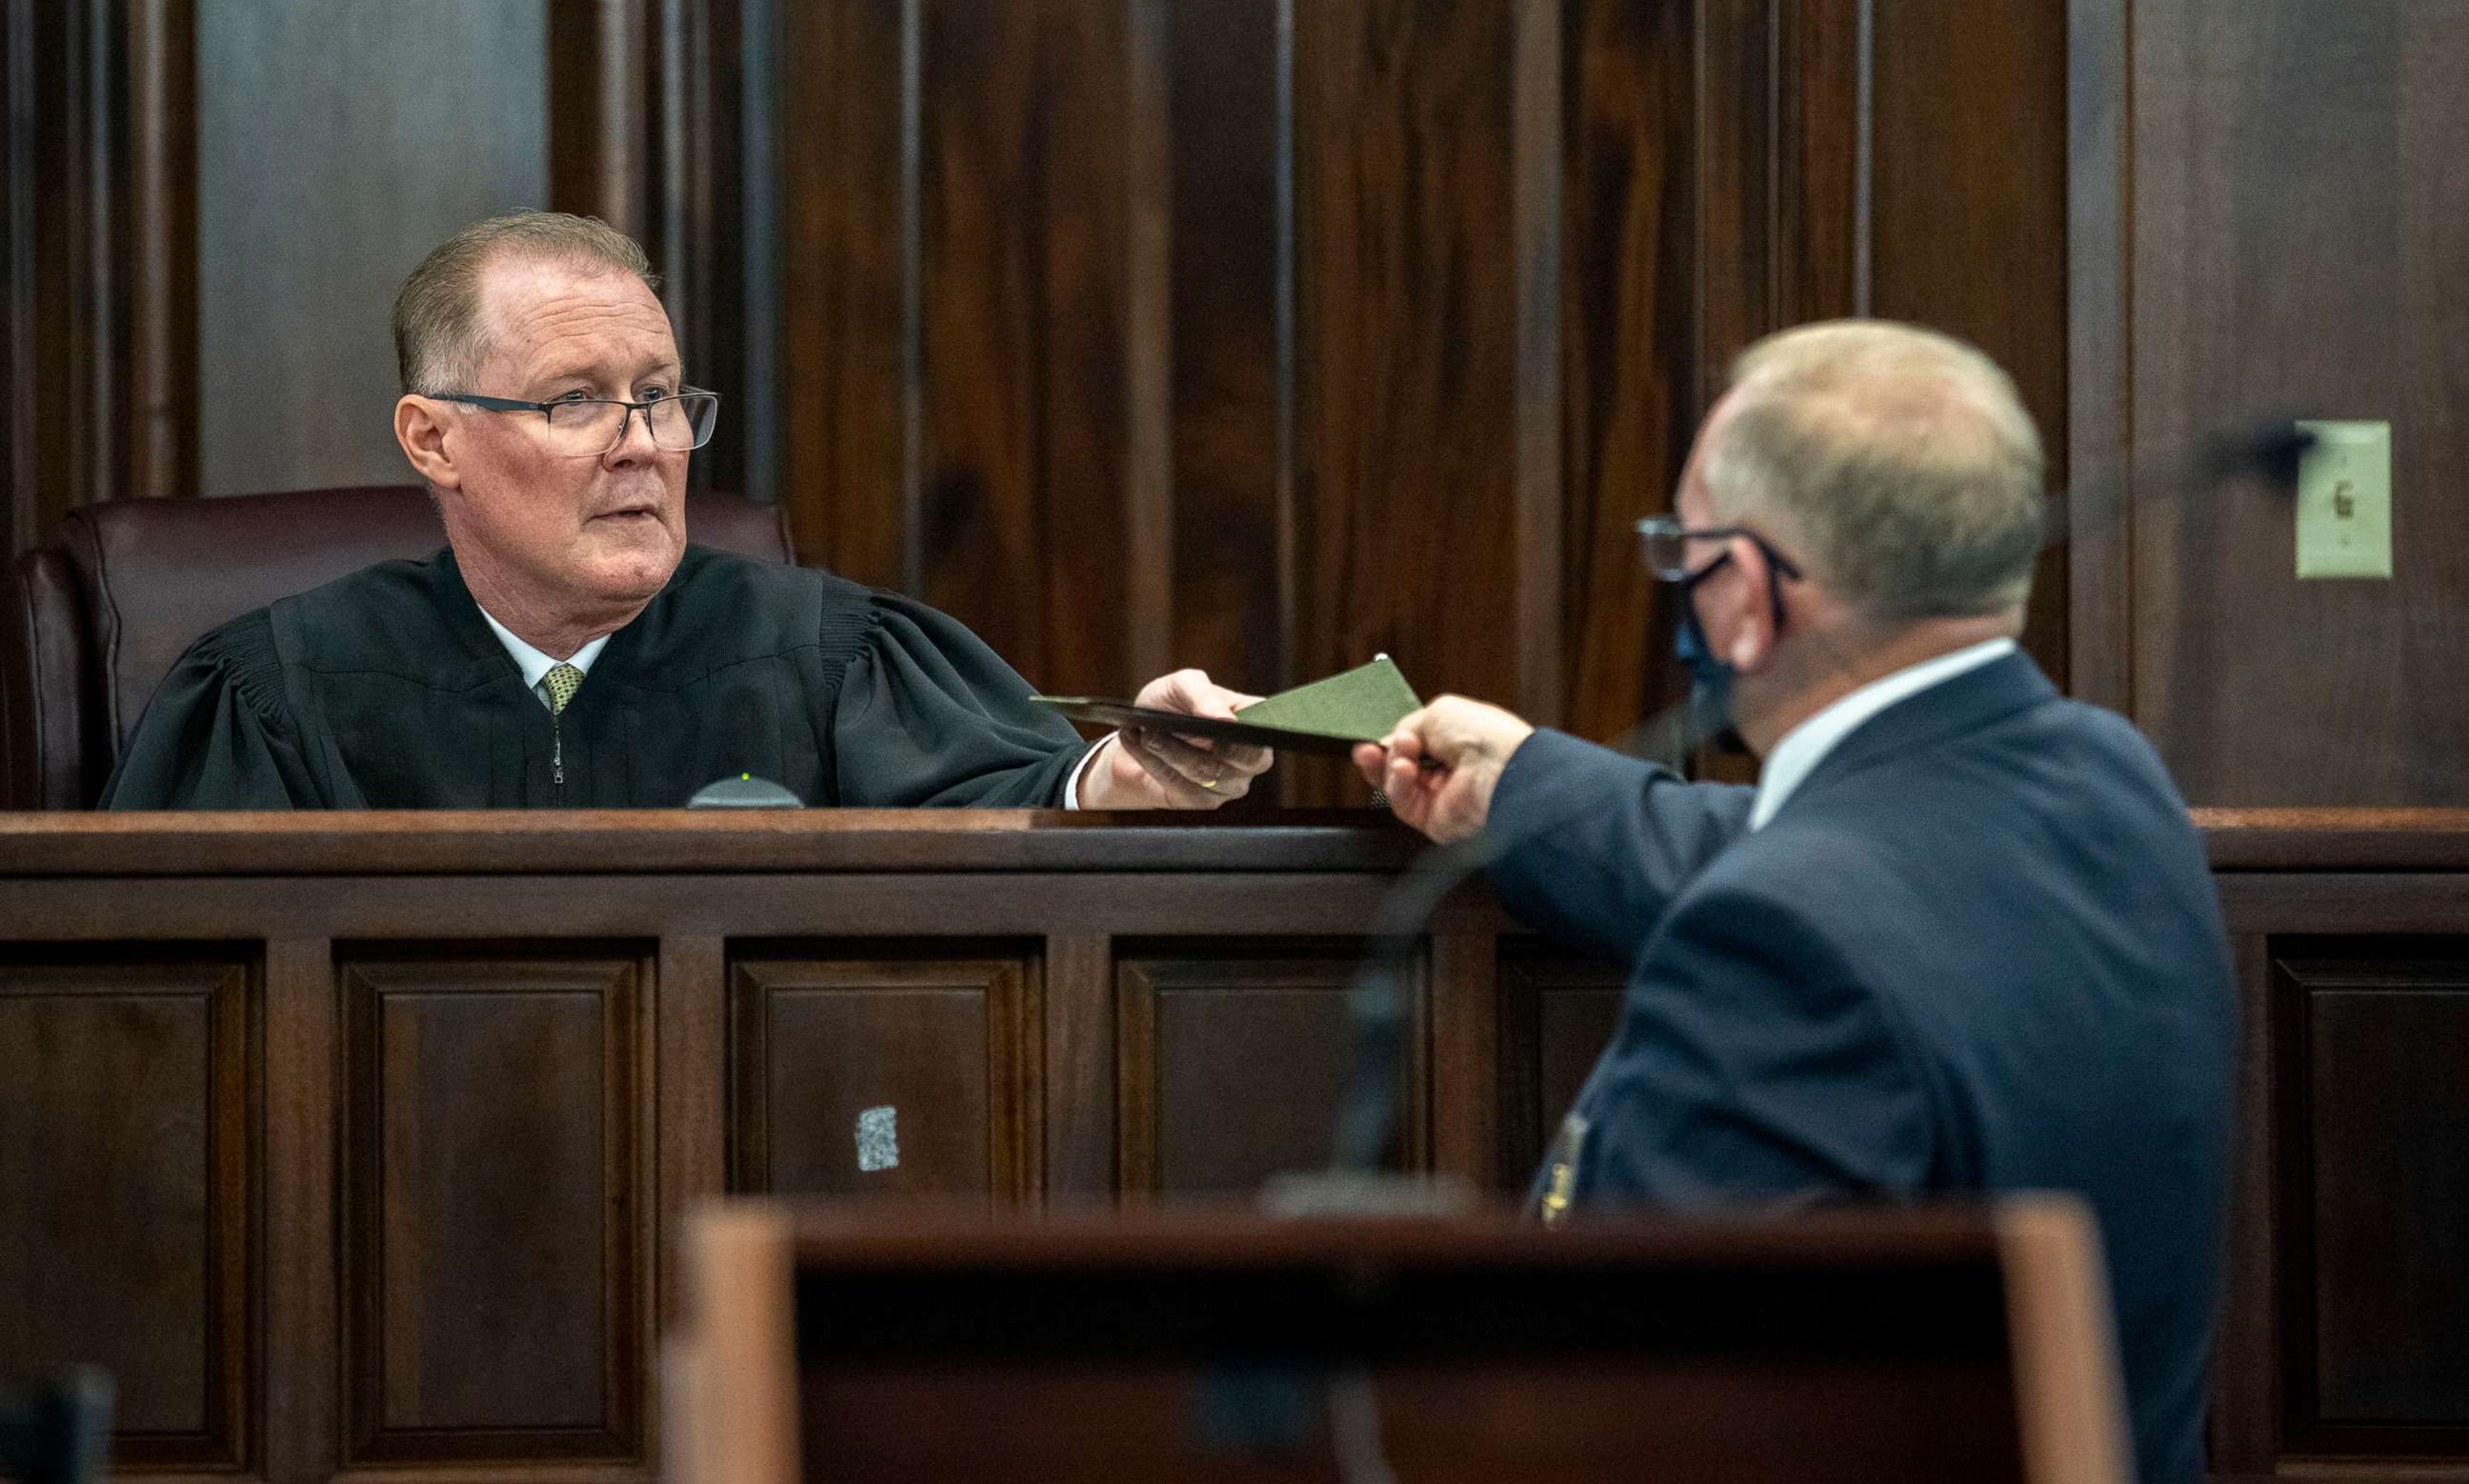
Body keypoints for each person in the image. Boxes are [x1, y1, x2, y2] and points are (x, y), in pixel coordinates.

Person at [1355, 321, 2234, 1484]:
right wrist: (1526, 787)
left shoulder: (1779, 940)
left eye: (1683, 557)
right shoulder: (2113, 785)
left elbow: (1636, 1425)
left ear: (1752, 597)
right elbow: (1855, 861)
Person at [104, 211, 1268, 810]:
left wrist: (1133, 767)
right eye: (577, 401)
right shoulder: (281, 690)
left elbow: (1010, 810)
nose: (645, 447)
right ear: (433, 438)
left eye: (657, 398)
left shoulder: (826, 656)